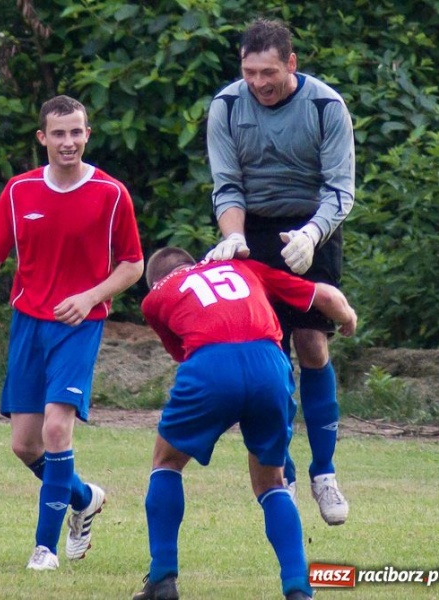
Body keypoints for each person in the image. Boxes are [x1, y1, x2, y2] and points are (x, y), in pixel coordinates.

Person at [0, 94, 144, 571]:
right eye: (59, 133)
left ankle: (44, 547)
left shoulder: (111, 193)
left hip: (79, 325)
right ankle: (82, 497)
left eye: (76, 132)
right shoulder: (20, 191)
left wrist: (90, 297)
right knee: (25, 443)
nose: (68, 142)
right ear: (42, 137)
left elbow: (133, 265)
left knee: (56, 428)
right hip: (29, 323)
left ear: (87, 134)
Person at [132, 247, 357, 600]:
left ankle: (162, 577)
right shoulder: (242, 267)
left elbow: (182, 351)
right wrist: (346, 317)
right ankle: (298, 587)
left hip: (210, 364)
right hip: (268, 361)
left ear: (155, 280)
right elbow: (323, 295)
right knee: (272, 483)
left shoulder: (155, 298)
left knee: (167, 462)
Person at [205, 17, 356, 525]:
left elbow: (341, 189)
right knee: (265, 355)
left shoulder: (325, 105)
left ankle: (326, 472)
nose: (259, 83)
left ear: (291, 64)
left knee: (312, 345)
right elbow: (226, 185)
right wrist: (233, 237)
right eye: (249, 72)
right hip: (251, 231)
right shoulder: (226, 106)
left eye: (268, 72)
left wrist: (313, 235)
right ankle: (282, 470)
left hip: (315, 226)